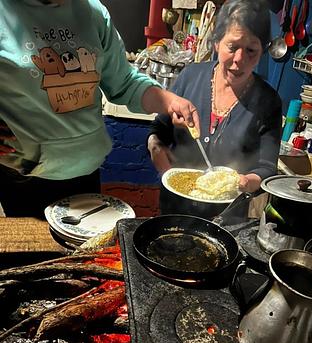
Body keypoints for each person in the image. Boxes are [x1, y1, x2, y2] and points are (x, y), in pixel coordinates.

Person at [0, 0, 199, 218]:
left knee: (86, 252)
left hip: (86, 170)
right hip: (26, 177)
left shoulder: (92, 10)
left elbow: (124, 82)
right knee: (33, 251)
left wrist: (168, 102)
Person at [147, 0, 282, 216]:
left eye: (251, 51)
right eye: (233, 47)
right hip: (175, 207)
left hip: (226, 217)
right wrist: (155, 147)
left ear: (262, 51)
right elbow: (159, 130)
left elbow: (266, 168)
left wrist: (247, 181)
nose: (239, 60)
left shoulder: (268, 102)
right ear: (217, 42)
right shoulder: (190, 77)